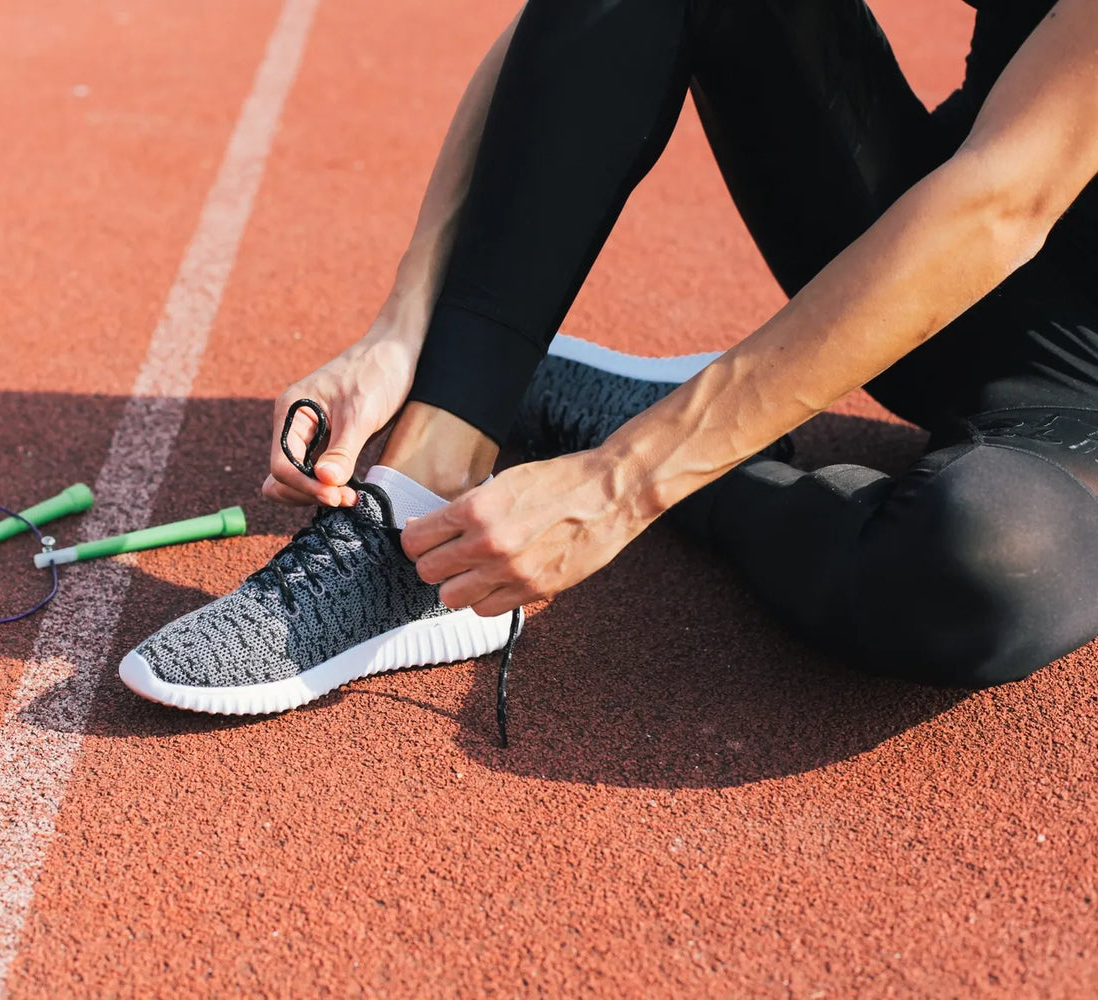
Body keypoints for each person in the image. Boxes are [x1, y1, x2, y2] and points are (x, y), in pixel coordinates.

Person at [118, 0, 1098, 742]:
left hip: (1063, 379)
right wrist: (406, 327)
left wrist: (623, 479)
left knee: (983, 566)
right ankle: (423, 496)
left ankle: (673, 447)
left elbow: (1004, 202)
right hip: (943, 272)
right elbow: (571, 34)